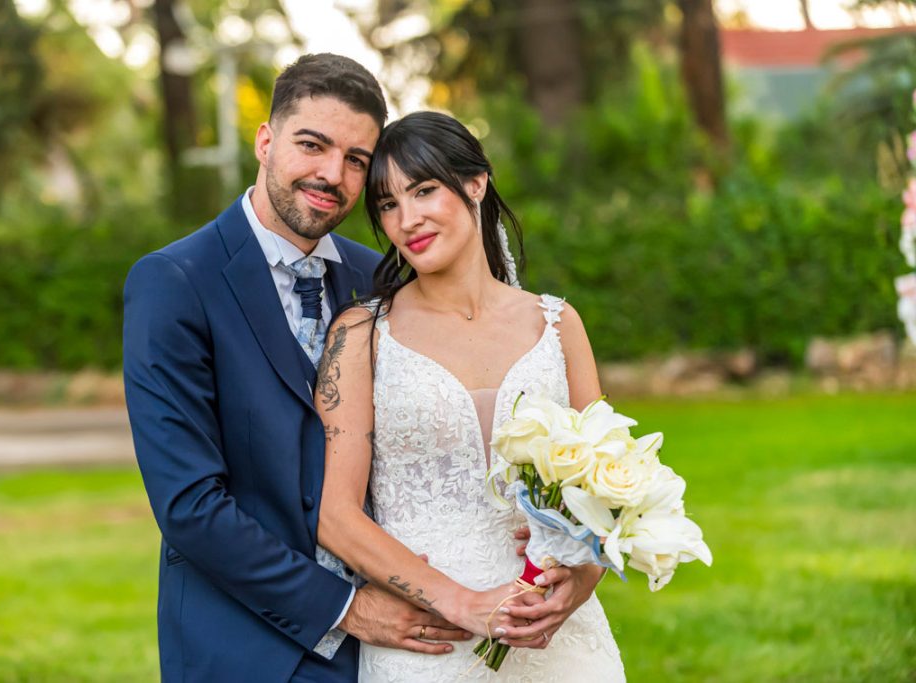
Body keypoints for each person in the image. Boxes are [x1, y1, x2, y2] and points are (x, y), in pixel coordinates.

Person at [123, 55, 471, 683]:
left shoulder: (380, 279)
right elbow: (189, 504)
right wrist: (343, 609)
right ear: (266, 140)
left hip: (393, 652)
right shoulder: (174, 283)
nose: (331, 174)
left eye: (356, 160)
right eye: (312, 145)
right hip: (244, 650)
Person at [314, 111, 626, 681]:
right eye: (387, 204)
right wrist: (458, 602)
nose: (407, 219)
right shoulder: (360, 335)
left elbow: (607, 487)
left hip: (558, 638)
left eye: (425, 190)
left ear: (476, 182)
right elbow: (334, 516)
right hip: (430, 644)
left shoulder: (558, 324)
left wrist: (578, 585)